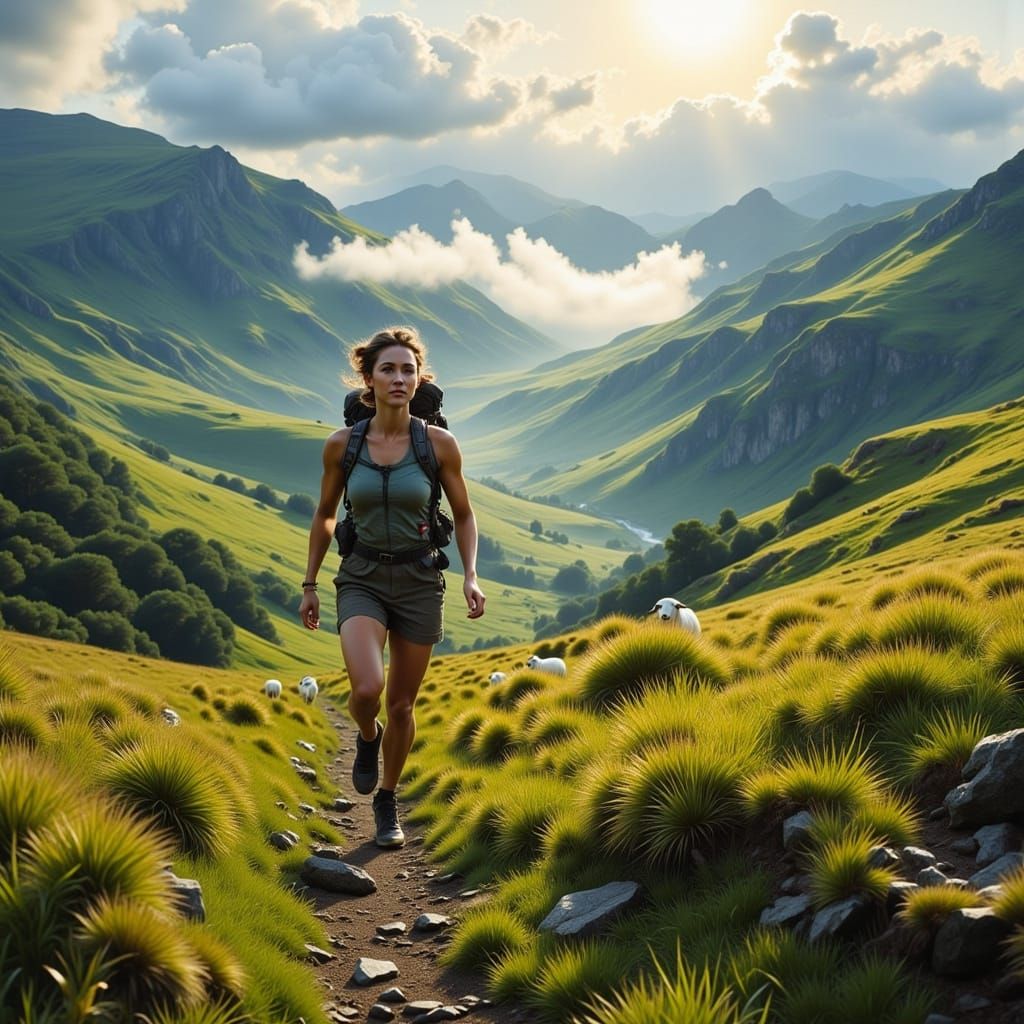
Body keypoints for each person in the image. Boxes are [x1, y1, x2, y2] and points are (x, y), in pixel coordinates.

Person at [299, 327, 485, 849]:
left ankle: (386, 799)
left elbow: (465, 516)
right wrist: (310, 582)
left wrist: (469, 573)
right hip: (360, 576)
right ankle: (366, 736)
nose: (399, 379)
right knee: (366, 691)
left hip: (420, 580)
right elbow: (325, 515)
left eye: (408, 370)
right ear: (369, 379)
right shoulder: (343, 446)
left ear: (419, 378)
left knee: (402, 704)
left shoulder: (438, 445)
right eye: (388, 369)